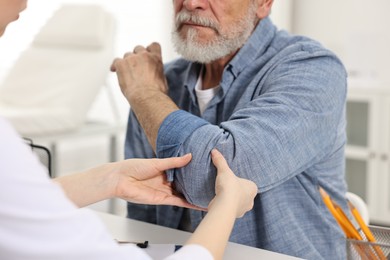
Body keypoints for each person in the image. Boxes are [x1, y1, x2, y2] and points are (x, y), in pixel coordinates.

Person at [0, 1, 258, 260]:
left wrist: (110, 178)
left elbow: (9, 201)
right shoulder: (152, 88)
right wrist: (227, 204)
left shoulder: (296, 66)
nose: (191, 3)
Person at [111, 0, 349, 259]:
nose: (191, 3)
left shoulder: (313, 68)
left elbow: (212, 184)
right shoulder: (160, 83)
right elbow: (141, 216)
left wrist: (144, 95)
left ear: (263, 3)